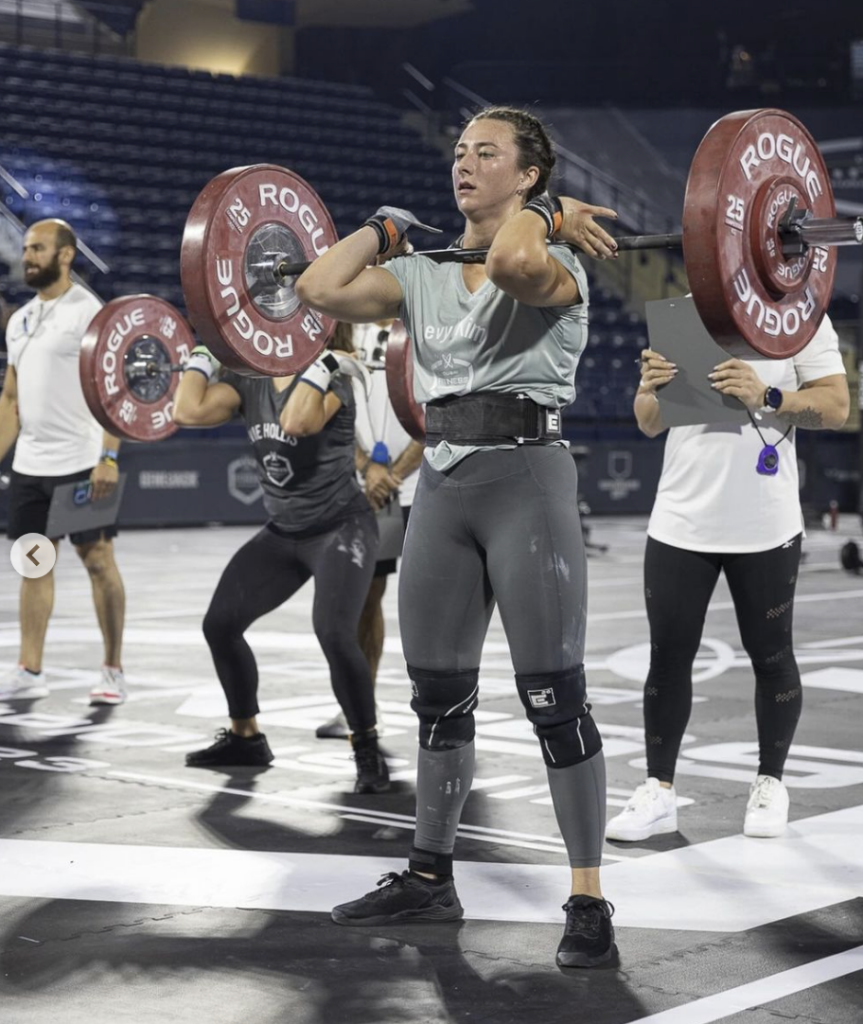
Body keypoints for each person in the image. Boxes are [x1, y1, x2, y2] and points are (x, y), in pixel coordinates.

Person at [296, 105, 621, 967]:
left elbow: (514, 257)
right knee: (439, 699)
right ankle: (430, 876)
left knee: (554, 699)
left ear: (529, 176)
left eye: (487, 154)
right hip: (440, 488)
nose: (464, 164)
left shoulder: (554, 261)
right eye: (458, 152)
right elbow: (317, 290)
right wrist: (382, 227)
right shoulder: (423, 270)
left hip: (527, 484)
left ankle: (588, 900)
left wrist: (549, 216)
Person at [605, 314, 849, 843]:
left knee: (772, 656)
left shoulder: (798, 315)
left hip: (765, 521)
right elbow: (648, 421)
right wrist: (650, 388)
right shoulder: (688, 310)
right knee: (667, 659)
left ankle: (770, 782)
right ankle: (659, 791)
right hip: (681, 517)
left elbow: (836, 407)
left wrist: (770, 395)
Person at [174, 332, 390, 794]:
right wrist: (205, 350)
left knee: (334, 631)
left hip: (341, 527)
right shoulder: (249, 380)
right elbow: (187, 410)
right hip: (284, 533)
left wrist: (324, 363)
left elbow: (296, 422)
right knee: (220, 624)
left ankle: (366, 748)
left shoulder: (333, 379)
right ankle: (245, 736)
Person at [0, 219, 126, 705]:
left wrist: (108, 457)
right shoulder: (20, 320)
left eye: (38, 248)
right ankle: (30, 670)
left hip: (81, 461)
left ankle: (113, 669)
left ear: (66, 255)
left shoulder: (89, 314)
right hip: (32, 464)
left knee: (97, 561)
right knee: (34, 565)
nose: (27, 256)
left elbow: (112, 393)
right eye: (27, 248)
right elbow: (11, 398)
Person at [316, 318, 424, 740]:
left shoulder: (421, 317)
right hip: (363, 485)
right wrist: (368, 467)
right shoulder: (343, 324)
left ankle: (444, 708)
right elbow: (328, 401)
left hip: (423, 484)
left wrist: (394, 474)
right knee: (364, 598)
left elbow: (441, 405)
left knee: (434, 605)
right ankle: (361, 709)